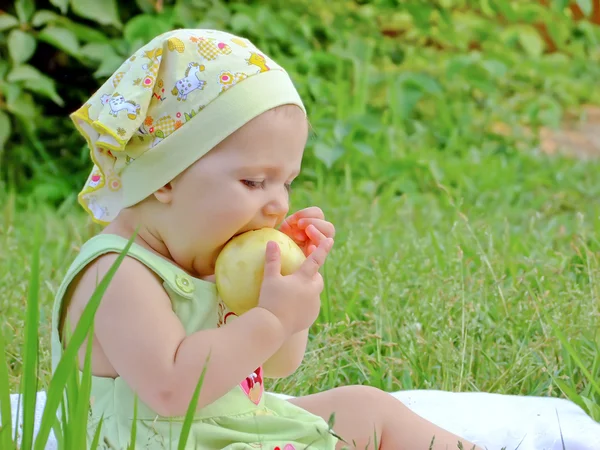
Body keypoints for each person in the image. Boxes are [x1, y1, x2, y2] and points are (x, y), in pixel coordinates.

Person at [51, 28, 483, 450]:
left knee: (365, 406)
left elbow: (277, 364)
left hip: (233, 427)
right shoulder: (117, 272)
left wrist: (288, 302)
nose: (277, 204)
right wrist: (271, 319)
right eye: (255, 181)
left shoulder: (212, 256)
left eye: (287, 183)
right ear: (164, 177)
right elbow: (171, 390)